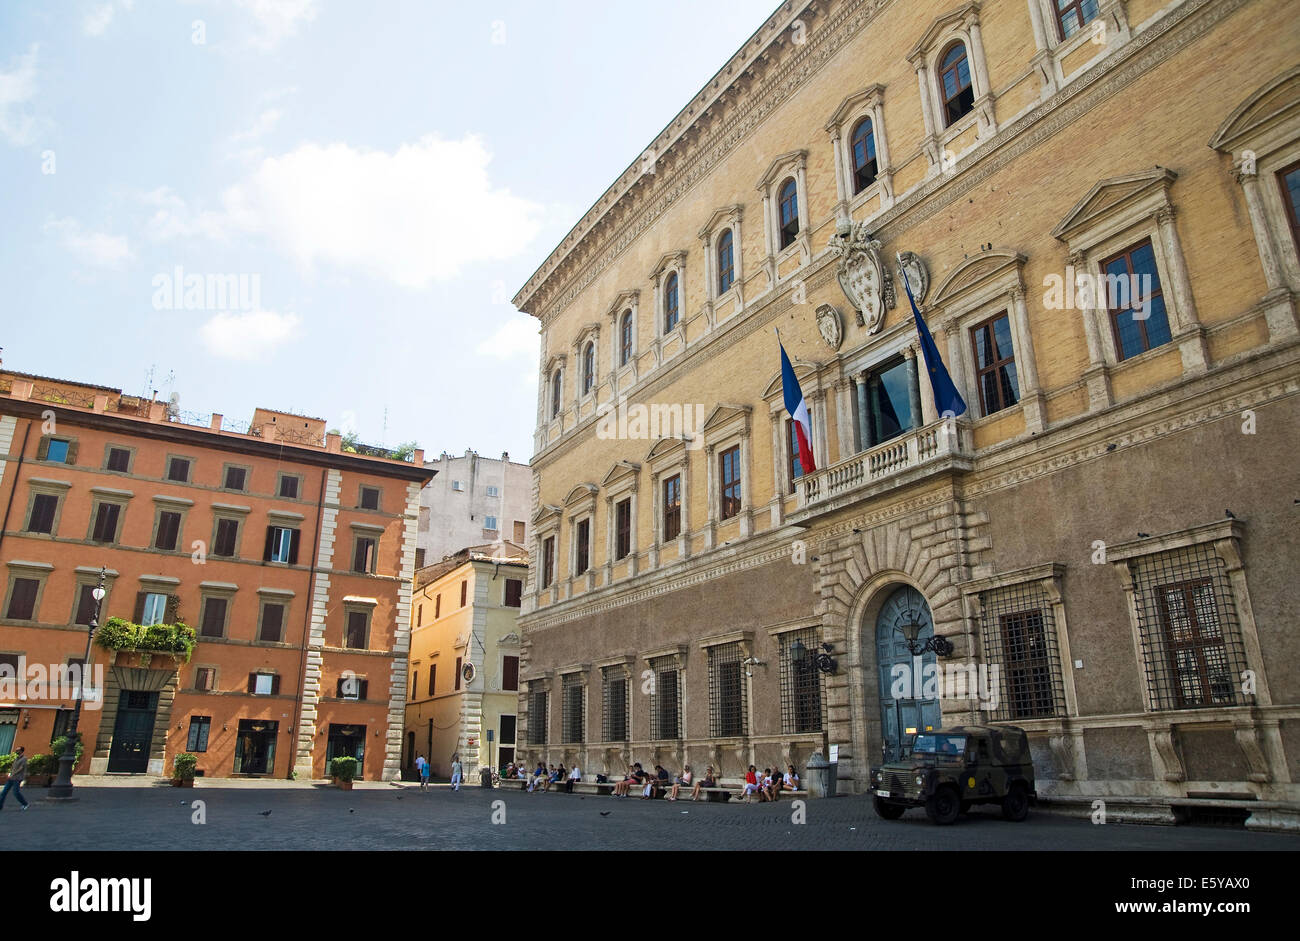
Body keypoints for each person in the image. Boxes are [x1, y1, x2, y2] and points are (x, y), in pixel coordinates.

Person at [0, 746, 29, 811]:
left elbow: (21, 768)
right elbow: (13, 767)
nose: (16, 751)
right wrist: (10, 773)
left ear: (21, 751)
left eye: (17, 750)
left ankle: (25, 804)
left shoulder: (24, 758)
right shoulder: (16, 758)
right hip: (11, 778)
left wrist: (13, 774)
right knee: (3, 792)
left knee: (16, 792)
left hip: (17, 778)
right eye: (16, 750)